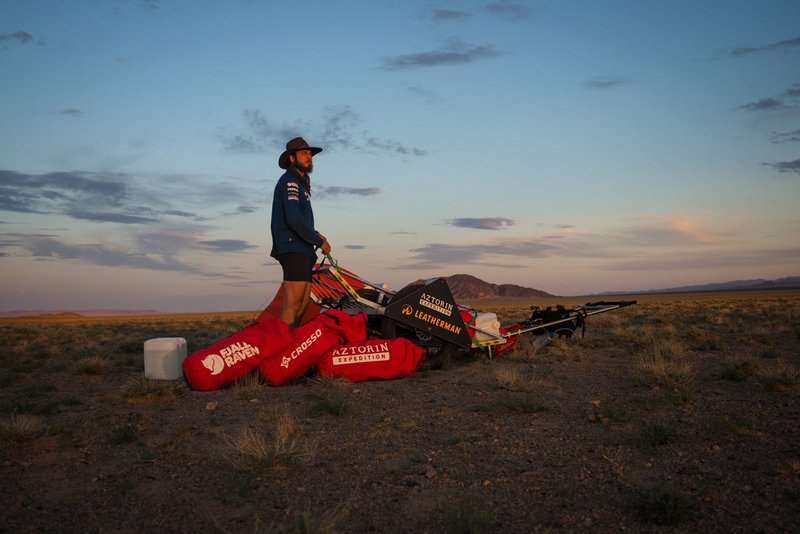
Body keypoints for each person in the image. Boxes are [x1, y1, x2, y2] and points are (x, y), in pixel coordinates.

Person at [270, 137, 332, 328]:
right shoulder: (290, 182)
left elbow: (300, 219)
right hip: (292, 247)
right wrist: (318, 241)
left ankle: (290, 346)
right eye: (304, 153)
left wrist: (316, 235)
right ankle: (280, 349)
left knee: (303, 303)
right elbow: (294, 219)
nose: (309, 157)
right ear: (291, 158)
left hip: (303, 248)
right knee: (293, 303)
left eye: (310, 154)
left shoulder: (301, 182)